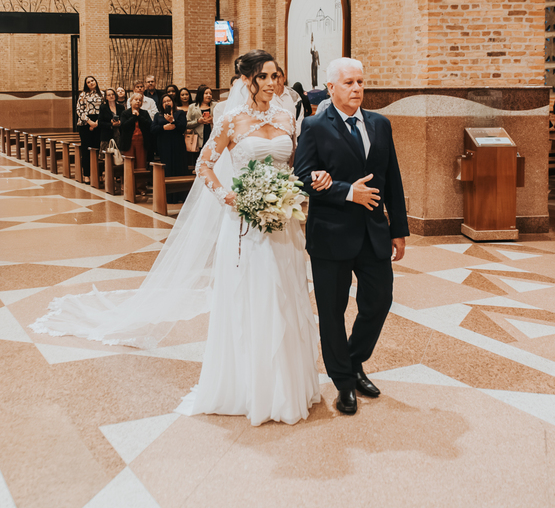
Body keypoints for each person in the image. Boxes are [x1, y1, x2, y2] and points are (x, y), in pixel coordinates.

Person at [33, 49, 334, 426]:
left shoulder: (287, 117)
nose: (272, 83)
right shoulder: (231, 120)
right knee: (253, 296)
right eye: (264, 76)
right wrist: (229, 196)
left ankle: (288, 386)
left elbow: (294, 166)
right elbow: (204, 165)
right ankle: (250, 387)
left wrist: (298, 188)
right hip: (244, 223)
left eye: (277, 76)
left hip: (282, 224)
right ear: (247, 80)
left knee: (286, 296)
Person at [294, 56, 409, 417]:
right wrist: (346, 192)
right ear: (331, 88)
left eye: (360, 82)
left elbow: (392, 178)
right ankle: (344, 382)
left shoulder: (380, 124)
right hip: (331, 234)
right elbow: (302, 178)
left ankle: (354, 360)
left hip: (373, 232)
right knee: (332, 311)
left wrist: (399, 230)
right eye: (349, 83)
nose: (357, 88)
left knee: (379, 300)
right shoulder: (314, 126)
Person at [153, 94, 187, 197]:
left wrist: (173, 121)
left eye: (169, 101)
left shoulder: (180, 113)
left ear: (173, 102)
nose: (167, 103)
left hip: (178, 144)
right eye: (164, 101)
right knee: (167, 168)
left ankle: (181, 195)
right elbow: (153, 129)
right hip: (164, 145)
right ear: (161, 104)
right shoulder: (158, 115)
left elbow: (183, 128)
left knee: (179, 167)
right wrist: (163, 127)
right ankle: (168, 196)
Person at [75, 75, 103, 184]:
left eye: (92, 80)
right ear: (86, 84)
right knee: (86, 149)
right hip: (85, 123)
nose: (91, 83)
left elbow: (104, 109)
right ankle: (87, 174)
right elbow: (79, 110)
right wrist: (89, 122)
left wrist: (97, 122)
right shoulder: (83, 95)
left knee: (98, 148)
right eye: (88, 82)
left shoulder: (102, 94)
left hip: (99, 122)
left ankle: (99, 174)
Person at [118, 92, 153, 173]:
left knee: (141, 165)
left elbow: (149, 125)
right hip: (128, 142)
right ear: (131, 101)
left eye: (140, 100)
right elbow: (123, 126)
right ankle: (129, 181)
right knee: (129, 165)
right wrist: (133, 117)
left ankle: (140, 181)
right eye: (136, 99)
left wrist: (139, 116)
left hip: (142, 142)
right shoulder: (125, 113)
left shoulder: (144, 113)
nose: (138, 101)